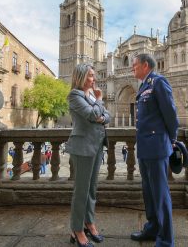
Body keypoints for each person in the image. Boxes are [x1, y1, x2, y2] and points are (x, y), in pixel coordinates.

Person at [130, 54, 179, 247]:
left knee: (160, 194)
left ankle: (166, 239)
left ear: (145, 65)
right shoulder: (143, 86)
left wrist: (172, 139)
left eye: (134, 65)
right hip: (145, 146)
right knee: (148, 192)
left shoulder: (158, 82)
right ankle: (152, 228)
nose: (132, 68)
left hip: (157, 146)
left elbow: (171, 114)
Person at [66, 63, 111, 247]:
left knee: (92, 189)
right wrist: (99, 102)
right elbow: (93, 115)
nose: (94, 79)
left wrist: (100, 113)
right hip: (83, 147)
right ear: (82, 77)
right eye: (91, 76)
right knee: (81, 191)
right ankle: (77, 230)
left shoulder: (90, 95)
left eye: (94, 75)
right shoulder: (74, 96)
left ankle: (89, 223)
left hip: (97, 144)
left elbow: (106, 116)